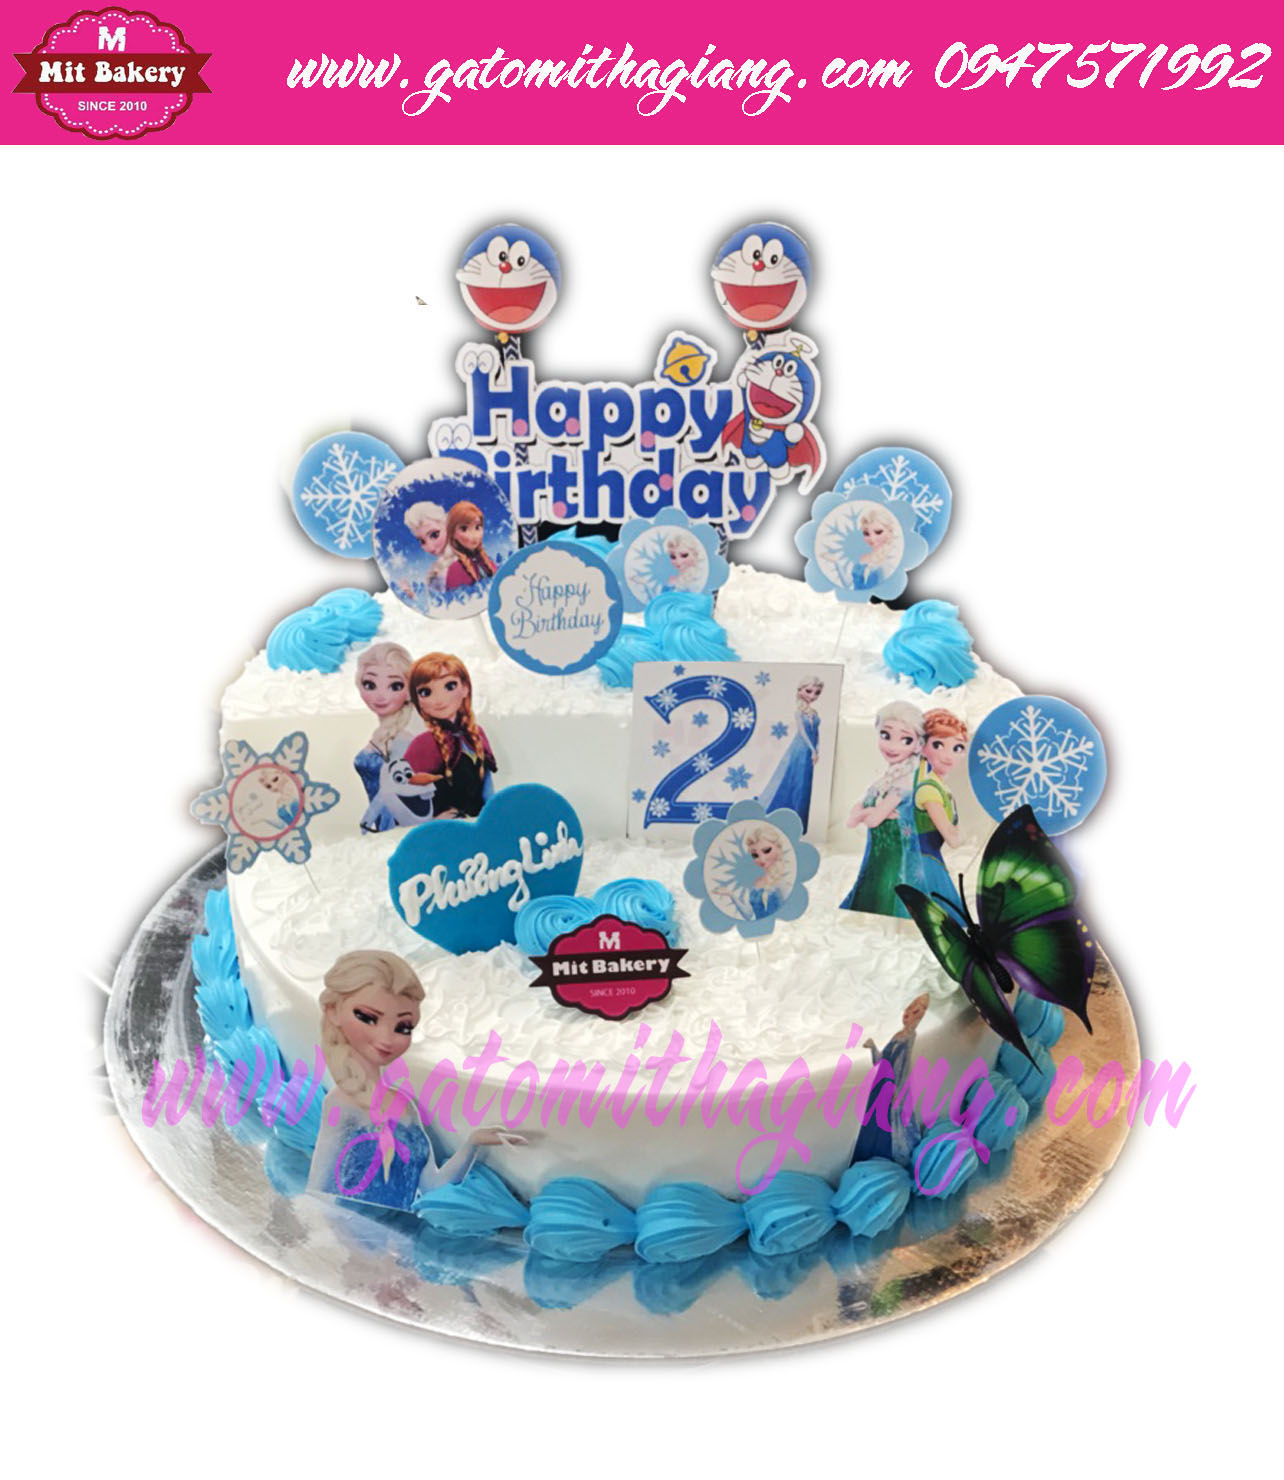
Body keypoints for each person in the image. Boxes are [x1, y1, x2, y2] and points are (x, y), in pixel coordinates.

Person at [307, 950, 517, 1210]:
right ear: (333, 1011)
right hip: (349, 1229)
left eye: (402, 1027)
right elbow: (318, 1188)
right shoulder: (341, 1103)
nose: (386, 1038)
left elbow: (431, 1186)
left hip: (400, 1233)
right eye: (368, 1018)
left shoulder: (404, 1105)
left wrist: (473, 1142)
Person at [841, 700, 926, 917]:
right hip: (878, 847)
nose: (892, 746)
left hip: (892, 849)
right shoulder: (887, 777)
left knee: (886, 888)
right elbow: (855, 814)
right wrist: (865, 812)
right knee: (871, 881)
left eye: (905, 739)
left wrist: (864, 814)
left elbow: (872, 819)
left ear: (918, 745)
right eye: (886, 735)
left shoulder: (904, 780)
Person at [403, 652, 497, 818]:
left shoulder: (476, 733)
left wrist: (493, 812)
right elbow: (405, 792)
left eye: (449, 686)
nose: (439, 700)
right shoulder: (422, 743)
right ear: (417, 700)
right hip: (445, 826)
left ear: (465, 688)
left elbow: (487, 785)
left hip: (480, 821)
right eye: (425, 692)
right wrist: (432, 819)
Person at [351, 642, 430, 832]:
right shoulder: (383, 733)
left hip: (400, 826)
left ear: (409, 690)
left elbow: (391, 788)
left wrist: (367, 819)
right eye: (370, 685)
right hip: (384, 825)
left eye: (395, 686)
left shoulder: (407, 735)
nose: (380, 696)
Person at [851, 993, 930, 1167]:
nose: (908, 1014)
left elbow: (902, 1067)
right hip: (881, 1087)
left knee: (886, 1124)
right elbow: (883, 1062)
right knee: (873, 1124)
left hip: (890, 1091)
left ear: (921, 1017)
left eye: (916, 1012)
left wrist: (895, 1090)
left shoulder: (907, 1039)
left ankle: (886, 1158)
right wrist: (873, 1048)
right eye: (909, 1008)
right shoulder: (898, 1035)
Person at [914, 708, 969, 915]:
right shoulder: (929, 790)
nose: (948, 756)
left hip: (931, 861)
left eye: (957, 747)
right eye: (938, 745)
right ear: (923, 747)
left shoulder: (941, 787)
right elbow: (953, 839)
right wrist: (966, 836)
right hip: (924, 867)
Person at [758, 675, 824, 830]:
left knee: (804, 783)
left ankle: (799, 821)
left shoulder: (814, 712)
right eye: (809, 691)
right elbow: (802, 732)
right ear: (800, 691)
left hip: (810, 751)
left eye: (817, 693)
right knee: (794, 779)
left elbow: (816, 732)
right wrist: (812, 749)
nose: (812, 696)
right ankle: (782, 814)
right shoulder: (799, 712)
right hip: (800, 749)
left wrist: (817, 749)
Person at [443, 501, 498, 590]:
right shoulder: (455, 570)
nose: (473, 535)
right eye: (464, 529)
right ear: (453, 534)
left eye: (477, 527)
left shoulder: (488, 562)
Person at [403, 500, 451, 596]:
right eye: (422, 541)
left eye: (434, 535)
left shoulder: (464, 559)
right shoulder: (437, 569)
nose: (430, 547)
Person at [854, 505, 902, 586]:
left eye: (878, 532)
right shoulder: (864, 557)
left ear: (889, 531)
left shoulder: (892, 558)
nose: (872, 538)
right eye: (866, 533)